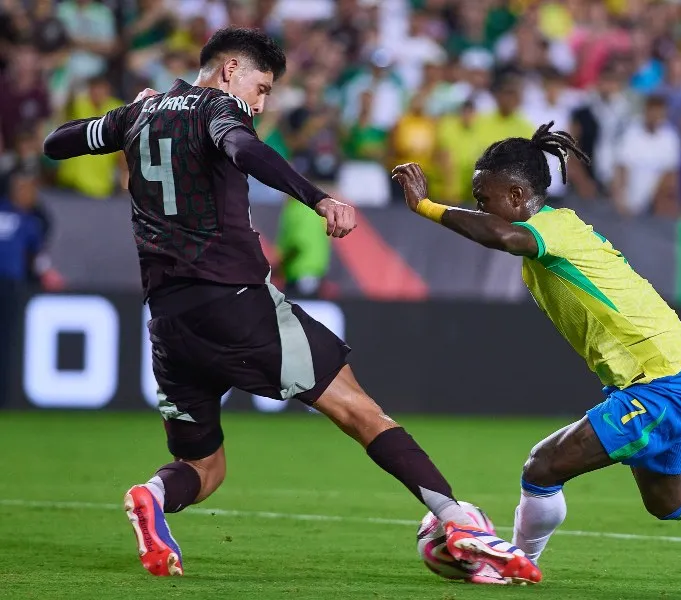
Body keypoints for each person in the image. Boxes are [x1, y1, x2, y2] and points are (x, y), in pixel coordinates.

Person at [43, 27, 539, 585]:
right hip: (235, 302)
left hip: (168, 320)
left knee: (203, 468)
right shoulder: (219, 109)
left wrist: (125, 115)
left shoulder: (141, 113)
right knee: (360, 410)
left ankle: (151, 495)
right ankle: (458, 520)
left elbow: (56, 143)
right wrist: (318, 196)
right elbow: (243, 148)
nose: (262, 101)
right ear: (229, 69)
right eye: (263, 85)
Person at [391, 122, 681, 575]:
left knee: (543, 467)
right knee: (671, 502)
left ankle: (515, 563)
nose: (478, 209)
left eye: (482, 199)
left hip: (663, 381)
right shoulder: (552, 234)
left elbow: (503, 236)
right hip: (675, 370)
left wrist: (428, 207)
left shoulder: (550, 229)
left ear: (517, 196)